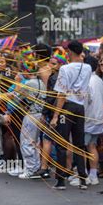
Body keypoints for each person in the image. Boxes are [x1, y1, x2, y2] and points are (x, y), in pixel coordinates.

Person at [51, 40, 92, 190]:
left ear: (69, 52)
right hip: (80, 107)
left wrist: (56, 115)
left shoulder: (65, 69)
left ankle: (61, 180)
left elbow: (61, 94)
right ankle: (83, 178)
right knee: (79, 144)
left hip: (67, 107)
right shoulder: (88, 68)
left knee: (62, 143)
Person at [38, 47, 68, 178]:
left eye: (54, 63)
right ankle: (66, 170)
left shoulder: (55, 77)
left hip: (54, 113)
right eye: (50, 62)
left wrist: (45, 113)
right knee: (64, 142)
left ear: (61, 64)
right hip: (66, 113)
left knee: (47, 139)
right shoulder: (65, 75)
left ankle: (45, 168)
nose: (50, 65)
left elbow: (51, 97)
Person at [16, 57, 46, 179]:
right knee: (36, 142)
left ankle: (30, 169)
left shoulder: (28, 84)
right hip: (40, 115)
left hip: (31, 115)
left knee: (26, 142)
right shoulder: (41, 83)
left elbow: (17, 97)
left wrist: (17, 83)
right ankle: (36, 167)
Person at [79, 56, 103, 187]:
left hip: (88, 119)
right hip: (98, 118)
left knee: (83, 148)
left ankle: (84, 175)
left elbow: (85, 102)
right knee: (92, 146)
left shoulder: (87, 81)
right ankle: (93, 175)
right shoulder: (99, 80)